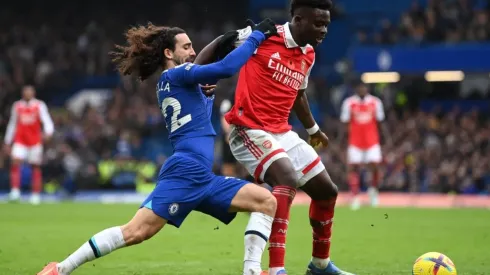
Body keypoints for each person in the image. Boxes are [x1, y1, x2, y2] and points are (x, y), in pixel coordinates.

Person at [37, 20, 279, 275]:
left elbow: (204, 80)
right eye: (186, 47)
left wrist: (223, 43)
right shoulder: (177, 74)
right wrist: (257, 37)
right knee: (135, 232)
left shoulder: (176, 81)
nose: (192, 52)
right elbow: (227, 68)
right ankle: (61, 269)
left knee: (266, 201)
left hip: (203, 177)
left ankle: (252, 271)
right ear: (168, 53)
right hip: (185, 173)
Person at [196, 0, 355, 274]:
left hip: (282, 132)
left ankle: (320, 265)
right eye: (318, 23)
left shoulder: (308, 53)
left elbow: (299, 93)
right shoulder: (265, 36)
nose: (324, 30)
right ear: (298, 18)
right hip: (248, 128)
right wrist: (194, 75)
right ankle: (276, 268)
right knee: (287, 178)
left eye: (326, 24)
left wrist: (313, 129)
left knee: (327, 191)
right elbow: (223, 41)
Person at [339, 79, 391, 210]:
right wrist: (341, 141)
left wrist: (387, 139)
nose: (362, 89)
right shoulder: (349, 103)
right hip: (355, 142)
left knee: (375, 166)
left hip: (372, 141)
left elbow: (380, 123)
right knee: (353, 168)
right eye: (360, 87)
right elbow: (345, 124)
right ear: (356, 89)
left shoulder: (375, 102)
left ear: (367, 88)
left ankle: (373, 191)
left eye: (364, 87)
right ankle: (355, 196)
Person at [3, 85, 54, 205]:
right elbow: (12, 123)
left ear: (33, 93)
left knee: (35, 166)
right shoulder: (17, 106)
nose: (28, 93)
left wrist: (48, 132)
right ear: (22, 93)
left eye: (29, 91)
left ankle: (35, 195)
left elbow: (46, 120)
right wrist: (7, 141)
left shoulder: (39, 105)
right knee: (15, 163)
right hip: (20, 140)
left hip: (35, 141)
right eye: (26, 91)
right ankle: (15, 193)